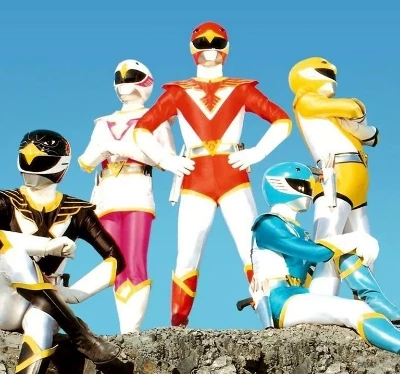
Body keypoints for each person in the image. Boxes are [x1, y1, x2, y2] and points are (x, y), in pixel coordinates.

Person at [127, 21, 292, 327]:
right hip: (196, 177)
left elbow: (282, 120)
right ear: (193, 48)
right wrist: (165, 159)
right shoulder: (178, 92)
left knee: (252, 249)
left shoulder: (241, 89)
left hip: (232, 174)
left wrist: (257, 152)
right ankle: (177, 325)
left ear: (226, 48)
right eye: (203, 43)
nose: (210, 49)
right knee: (187, 253)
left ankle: (271, 320)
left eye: (217, 43)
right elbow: (142, 129)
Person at [248, 161, 400, 355]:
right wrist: (357, 238)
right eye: (303, 186)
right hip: (280, 301)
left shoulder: (295, 228)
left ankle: (377, 301)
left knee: (339, 252)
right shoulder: (267, 224)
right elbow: (317, 252)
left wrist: (329, 185)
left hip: (298, 294)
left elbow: (315, 260)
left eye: (309, 187)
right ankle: (380, 309)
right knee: (356, 310)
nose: (308, 192)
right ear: (281, 185)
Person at [78, 59, 176, 333]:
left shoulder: (156, 119)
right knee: (113, 261)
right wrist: (105, 149)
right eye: (120, 78)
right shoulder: (103, 123)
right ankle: (121, 328)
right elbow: (86, 161)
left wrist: (119, 147)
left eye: (131, 77)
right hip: (106, 195)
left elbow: (166, 159)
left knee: (134, 260)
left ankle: (130, 332)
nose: (125, 83)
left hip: (137, 192)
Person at [288, 57, 384, 303]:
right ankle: (321, 301)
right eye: (325, 71)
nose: (332, 75)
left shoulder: (328, 114)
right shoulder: (306, 100)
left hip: (353, 177)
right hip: (335, 175)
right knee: (328, 242)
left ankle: (367, 304)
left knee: (365, 246)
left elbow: (370, 137)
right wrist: (359, 113)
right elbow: (353, 110)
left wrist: (361, 127)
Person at [0, 230, 121, 374]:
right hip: (6, 301)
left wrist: (73, 293)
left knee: (40, 322)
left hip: (37, 304)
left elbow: (116, 258)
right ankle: (81, 336)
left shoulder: (77, 217)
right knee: (15, 256)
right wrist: (46, 246)